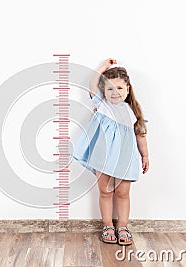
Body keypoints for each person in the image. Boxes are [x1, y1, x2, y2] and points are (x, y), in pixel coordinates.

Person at [72, 58, 149, 245]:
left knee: (123, 193)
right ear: (103, 91)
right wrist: (103, 67)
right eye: (110, 89)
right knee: (105, 192)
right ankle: (107, 225)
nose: (115, 93)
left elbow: (140, 135)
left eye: (120, 88)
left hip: (126, 158)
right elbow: (92, 83)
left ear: (128, 89)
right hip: (103, 157)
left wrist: (145, 155)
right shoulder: (102, 105)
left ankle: (122, 226)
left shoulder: (132, 112)